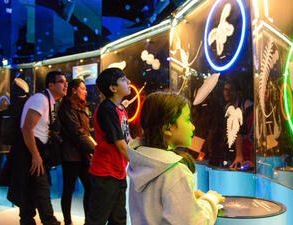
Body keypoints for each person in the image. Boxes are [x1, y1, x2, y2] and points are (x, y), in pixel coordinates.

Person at [127, 91, 225, 225]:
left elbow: (155, 207)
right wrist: (210, 200)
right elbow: (193, 222)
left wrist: (188, 198)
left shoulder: (141, 161)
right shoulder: (174, 171)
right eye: (187, 120)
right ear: (168, 128)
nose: (193, 126)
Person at [7, 71, 67, 225]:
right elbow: (27, 128)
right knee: (41, 189)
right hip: (29, 150)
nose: (65, 85)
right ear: (50, 85)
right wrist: (35, 155)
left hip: (32, 150)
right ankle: (49, 221)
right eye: (61, 81)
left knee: (29, 188)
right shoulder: (40, 99)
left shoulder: (49, 101)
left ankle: (28, 220)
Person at [85, 68, 131, 225]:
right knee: (97, 219)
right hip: (105, 173)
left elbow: (127, 138)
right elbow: (120, 144)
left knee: (119, 218)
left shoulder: (120, 108)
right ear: (113, 88)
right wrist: (139, 164)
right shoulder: (107, 109)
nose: (129, 82)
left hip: (118, 172)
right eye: (124, 80)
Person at [58, 79, 96, 225]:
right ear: (74, 90)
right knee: (69, 188)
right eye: (83, 88)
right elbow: (77, 132)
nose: (86, 91)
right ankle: (68, 221)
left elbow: (85, 132)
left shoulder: (82, 107)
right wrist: (94, 149)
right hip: (71, 155)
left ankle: (89, 220)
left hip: (83, 154)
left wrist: (92, 148)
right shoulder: (66, 107)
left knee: (89, 187)